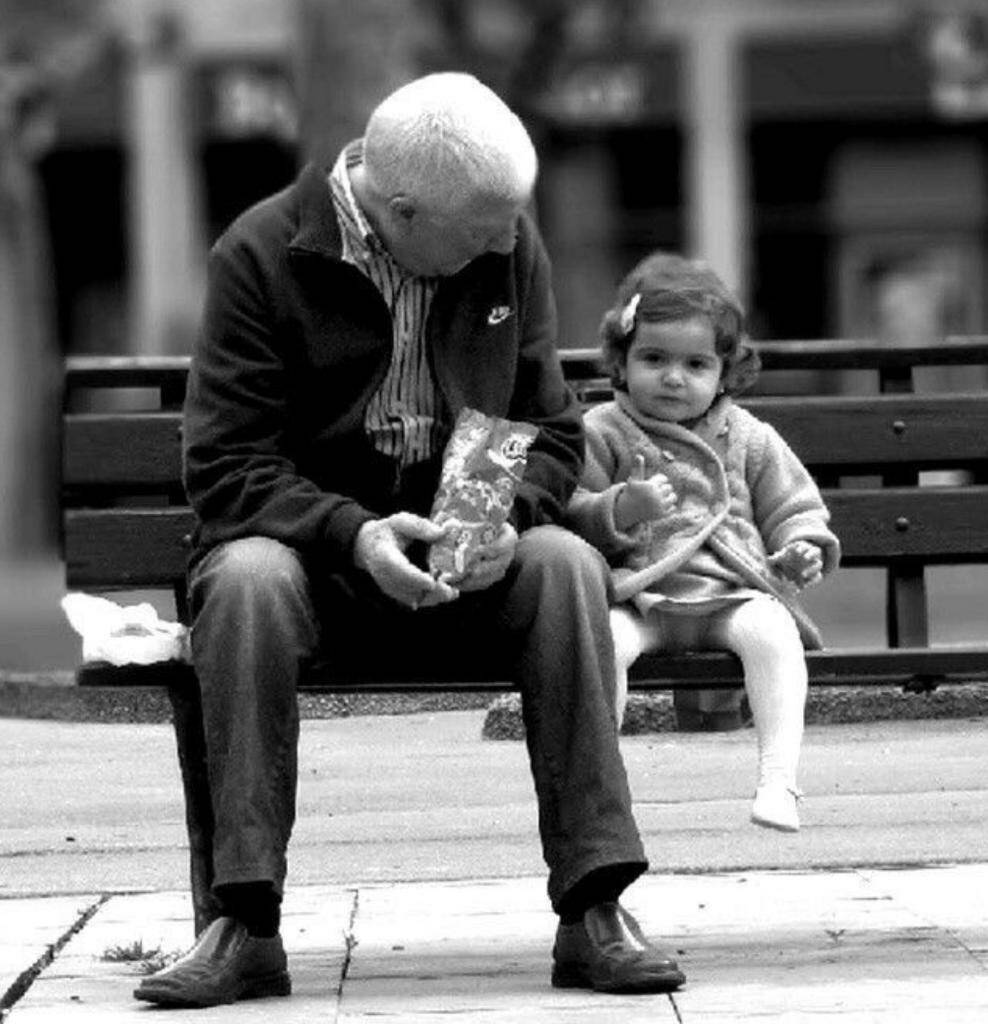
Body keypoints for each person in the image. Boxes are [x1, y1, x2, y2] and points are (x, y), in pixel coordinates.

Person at [134, 73, 685, 1008]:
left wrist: (510, 522)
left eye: (513, 223)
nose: (507, 243)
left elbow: (551, 431)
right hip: (320, 573)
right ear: (399, 210)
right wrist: (354, 535)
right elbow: (225, 468)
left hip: (469, 570)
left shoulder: (502, 240)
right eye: (484, 229)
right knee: (245, 581)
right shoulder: (261, 253)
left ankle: (595, 908)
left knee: (565, 565)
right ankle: (245, 922)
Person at [566, 252, 840, 834]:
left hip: (730, 594)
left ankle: (778, 781)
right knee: (601, 644)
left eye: (695, 364)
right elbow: (571, 519)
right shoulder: (603, 431)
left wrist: (802, 546)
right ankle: (601, 793)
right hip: (638, 597)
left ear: (725, 372)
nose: (673, 377)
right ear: (620, 362)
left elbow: (794, 505)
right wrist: (621, 507)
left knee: (773, 631)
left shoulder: (747, 436)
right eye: (654, 359)